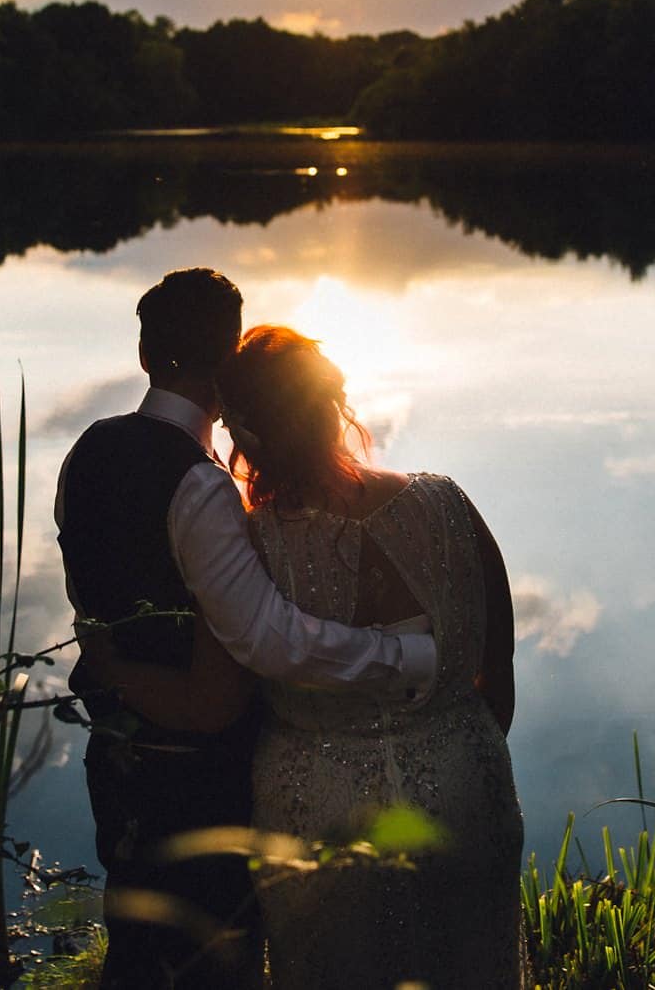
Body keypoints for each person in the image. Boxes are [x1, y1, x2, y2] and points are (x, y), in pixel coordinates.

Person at [98, 325, 526, 989]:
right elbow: (496, 682)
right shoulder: (449, 501)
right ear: (331, 403)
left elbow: (215, 700)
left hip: (320, 814)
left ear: (242, 429)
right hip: (467, 788)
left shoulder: (247, 549)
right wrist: (447, 748)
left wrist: (113, 669)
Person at [55, 270, 437, 989]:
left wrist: (119, 673)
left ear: (144, 352)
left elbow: (90, 600)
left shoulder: (87, 453)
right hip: (199, 777)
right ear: (226, 357)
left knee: (136, 937)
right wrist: (406, 653)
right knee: (213, 954)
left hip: (114, 755)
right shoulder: (200, 484)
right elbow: (268, 637)